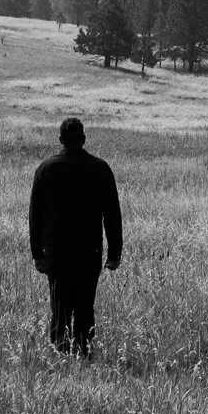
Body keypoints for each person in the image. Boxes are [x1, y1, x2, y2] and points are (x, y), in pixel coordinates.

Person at [28, 117, 122, 357]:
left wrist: (37, 254)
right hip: (88, 251)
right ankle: (84, 354)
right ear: (83, 139)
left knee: (59, 308)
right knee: (84, 307)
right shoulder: (100, 168)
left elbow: (34, 216)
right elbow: (112, 215)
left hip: (56, 253)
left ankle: (60, 356)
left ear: (60, 140)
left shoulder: (46, 169)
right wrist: (114, 254)